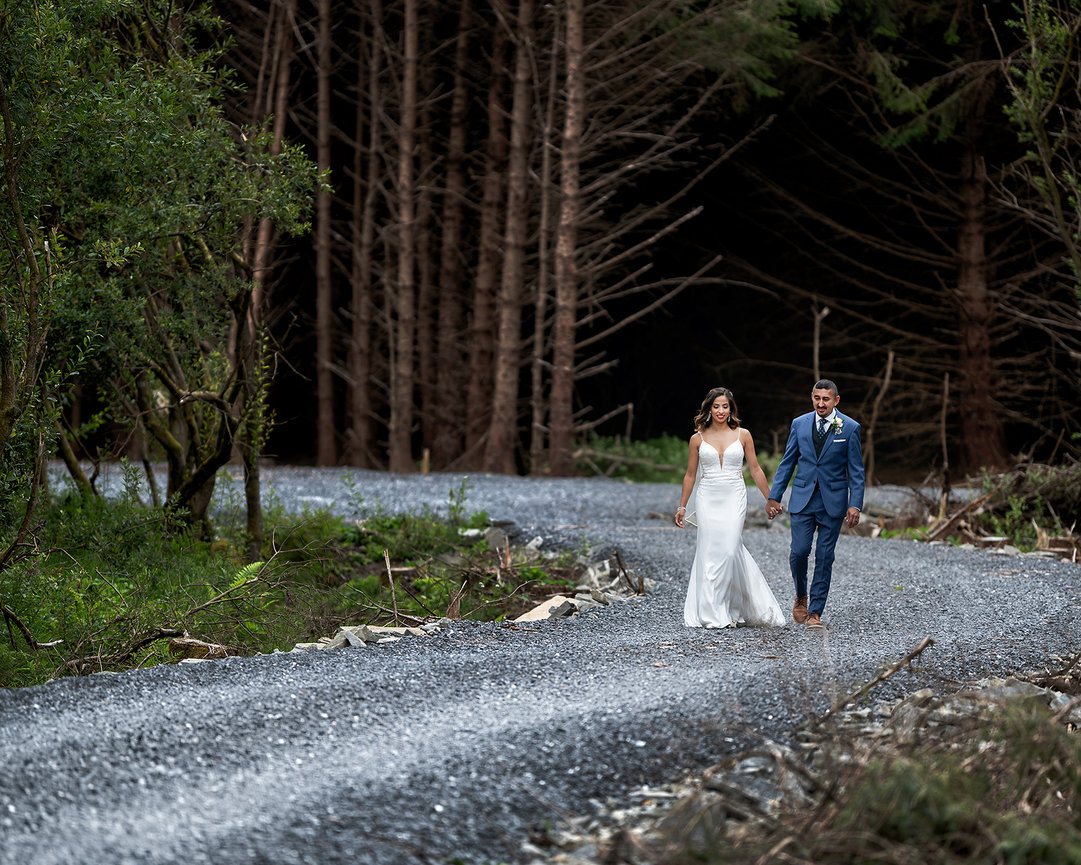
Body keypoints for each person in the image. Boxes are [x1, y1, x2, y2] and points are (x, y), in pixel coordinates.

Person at [675, 387, 785, 629]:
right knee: (710, 550)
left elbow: (755, 469)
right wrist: (682, 506)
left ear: (731, 408)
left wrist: (771, 498)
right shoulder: (697, 438)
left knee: (729, 548)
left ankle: (735, 605)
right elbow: (690, 475)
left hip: (734, 495)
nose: (721, 411)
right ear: (709, 409)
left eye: (725, 406)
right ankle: (714, 610)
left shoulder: (743, 435)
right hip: (707, 497)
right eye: (716, 406)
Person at [766, 379, 865, 630]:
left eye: (826, 399)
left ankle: (815, 612)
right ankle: (801, 594)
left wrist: (855, 505)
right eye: (817, 398)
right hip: (802, 498)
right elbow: (788, 462)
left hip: (833, 501)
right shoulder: (799, 424)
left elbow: (856, 471)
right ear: (812, 397)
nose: (821, 404)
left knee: (825, 556)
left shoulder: (850, 428)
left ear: (836, 400)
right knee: (799, 551)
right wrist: (774, 496)